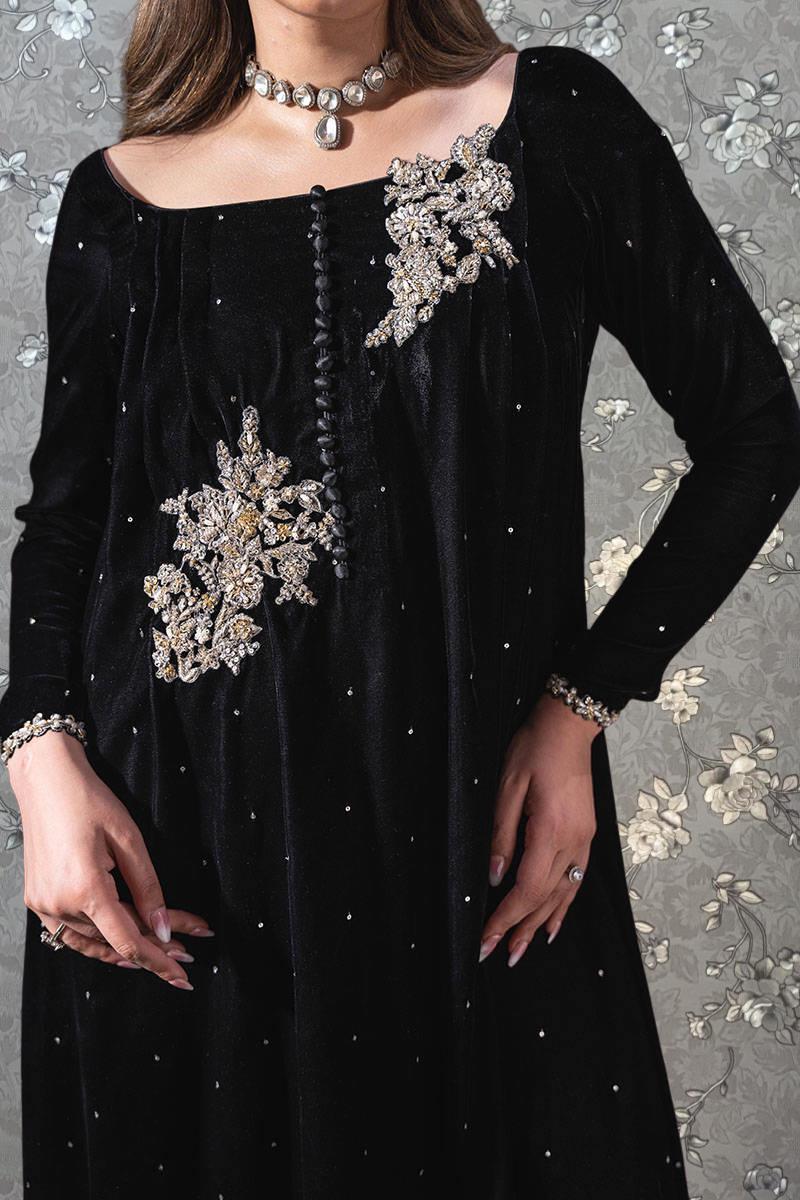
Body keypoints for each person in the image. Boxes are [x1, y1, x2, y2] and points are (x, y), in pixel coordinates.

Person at [2, 1, 799, 1196]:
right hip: (176, 852)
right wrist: (38, 768)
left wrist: (577, 706)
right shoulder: (119, 203)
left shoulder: (551, 126)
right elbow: (63, 525)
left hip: (462, 823)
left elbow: (753, 432)